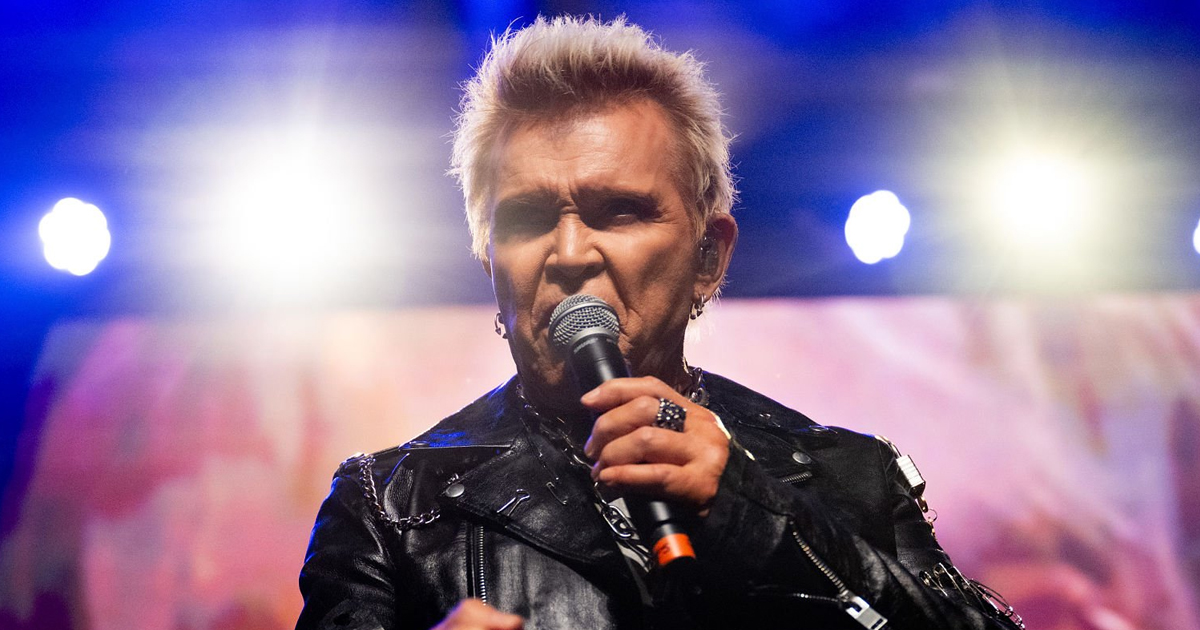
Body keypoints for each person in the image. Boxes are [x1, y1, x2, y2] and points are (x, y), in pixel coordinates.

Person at [296, 15, 1023, 630]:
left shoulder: (847, 477)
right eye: (527, 219)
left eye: (620, 211)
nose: (571, 253)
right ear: (489, 259)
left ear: (709, 256)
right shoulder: (390, 507)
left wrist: (763, 519)